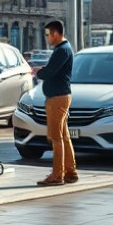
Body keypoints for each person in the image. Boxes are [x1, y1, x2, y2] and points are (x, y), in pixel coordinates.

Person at [35, 20, 77, 186]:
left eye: (48, 35)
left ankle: (57, 175)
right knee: (64, 136)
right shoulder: (64, 49)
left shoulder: (61, 50)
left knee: (56, 137)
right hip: (61, 96)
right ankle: (70, 171)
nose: (47, 38)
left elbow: (50, 72)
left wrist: (40, 72)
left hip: (57, 98)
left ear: (55, 33)